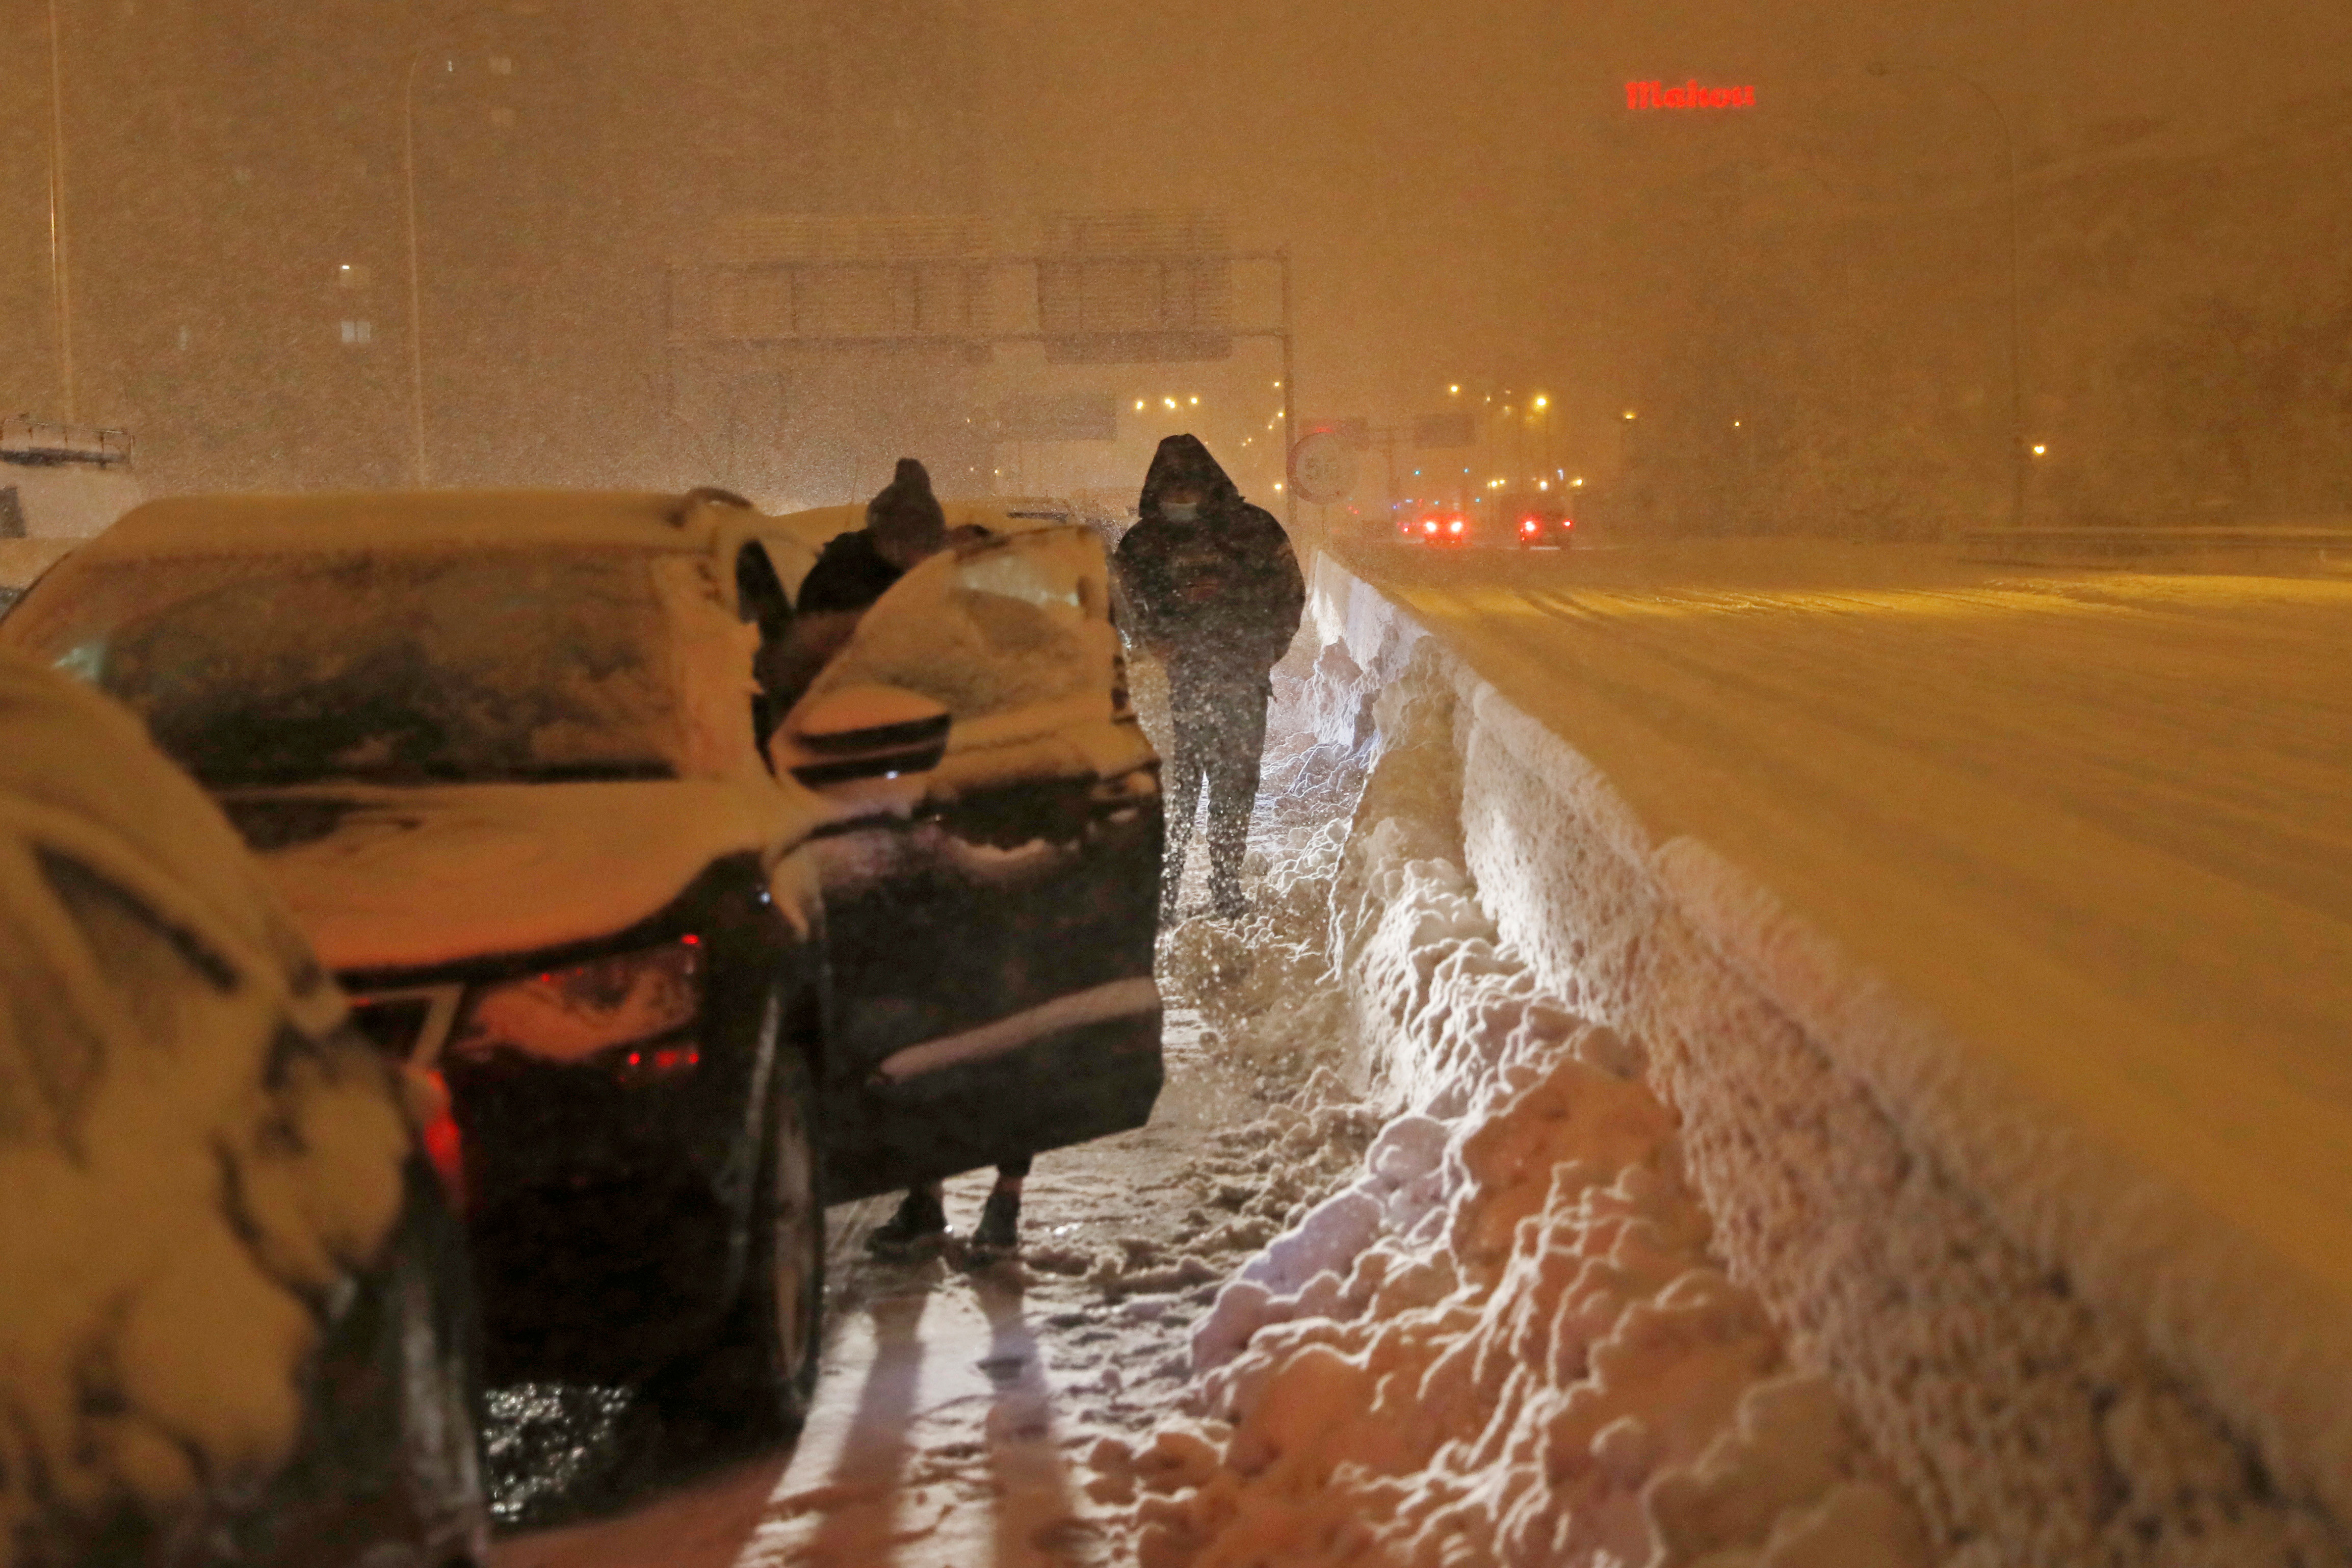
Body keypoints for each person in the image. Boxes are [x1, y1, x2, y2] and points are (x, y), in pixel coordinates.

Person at [797, 460, 1030, 1258]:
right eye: (903, 546)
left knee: (991, 1023)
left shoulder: (971, 593)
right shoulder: (843, 593)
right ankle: (927, 1196)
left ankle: (1001, 1197)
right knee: (921, 1027)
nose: (913, 560)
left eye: (924, 549)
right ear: (880, 538)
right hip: (898, 830)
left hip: (956, 824)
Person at [1114, 434, 1305, 922]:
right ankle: (1163, 890)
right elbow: (1121, 607)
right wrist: (1151, 644)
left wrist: (1265, 650)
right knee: (1172, 791)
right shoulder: (1142, 543)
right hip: (1172, 688)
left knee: (1234, 785)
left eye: (1188, 489)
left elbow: (1288, 592)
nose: (1180, 500)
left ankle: (1225, 884)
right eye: (1170, 491)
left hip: (1239, 679)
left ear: (1209, 484)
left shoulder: (1254, 531)